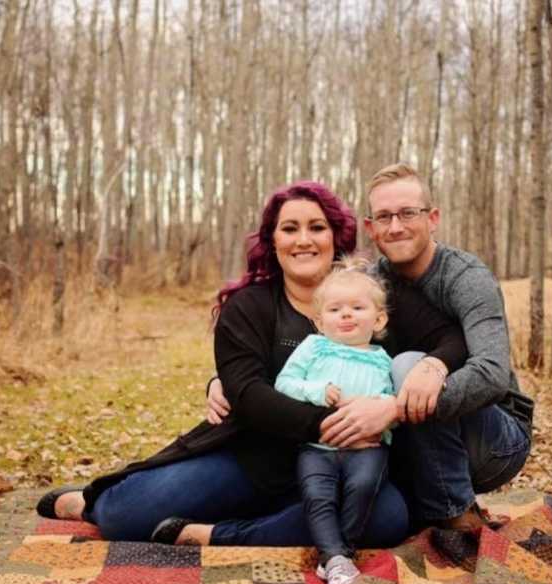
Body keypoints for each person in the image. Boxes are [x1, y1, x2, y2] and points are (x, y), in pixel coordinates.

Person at [36, 181, 466, 555]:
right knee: (122, 516)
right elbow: (247, 393)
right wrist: (338, 424)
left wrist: (427, 371)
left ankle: (216, 534)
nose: (304, 240)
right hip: (253, 459)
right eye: (290, 228)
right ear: (272, 240)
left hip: (347, 465)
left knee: (389, 521)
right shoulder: (249, 307)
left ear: (337, 236)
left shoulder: (367, 296)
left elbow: (451, 337)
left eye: (317, 227)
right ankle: (90, 503)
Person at [208, 164, 534, 533]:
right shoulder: (372, 282)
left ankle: (452, 511)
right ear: (370, 227)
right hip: (414, 441)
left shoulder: (467, 278)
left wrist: (399, 401)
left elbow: (492, 373)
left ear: (433, 218)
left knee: (408, 365)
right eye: (384, 216)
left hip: (494, 439)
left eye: (408, 213)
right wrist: (226, 378)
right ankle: (420, 508)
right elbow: (327, 348)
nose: (395, 226)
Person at [275, 257, 394, 584]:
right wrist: (317, 391)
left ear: (379, 318)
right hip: (317, 448)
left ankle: (339, 555)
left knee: (363, 487)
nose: (346, 314)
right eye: (335, 309)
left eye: (357, 307)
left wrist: (381, 407)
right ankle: (338, 559)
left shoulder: (382, 359)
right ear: (319, 321)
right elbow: (284, 384)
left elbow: (392, 401)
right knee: (318, 495)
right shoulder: (313, 347)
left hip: (366, 449)